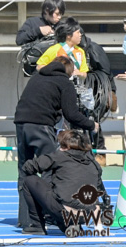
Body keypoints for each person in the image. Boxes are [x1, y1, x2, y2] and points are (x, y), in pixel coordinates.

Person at [14, 56, 98, 228]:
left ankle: (28, 219)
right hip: (41, 126)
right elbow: (71, 114)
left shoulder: (37, 77)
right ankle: (54, 216)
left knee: (25, 170)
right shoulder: (64, 83)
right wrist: (92, 125)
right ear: (67, 70)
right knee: (50, 168)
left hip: (21, 124)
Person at [21, 129, 106, 235]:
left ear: (67, 147)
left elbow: (28, 167)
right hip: (87, 216)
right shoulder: (94, 164)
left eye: (61, 145)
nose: (60, 148)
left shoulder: (59, 156)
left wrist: (48, 165)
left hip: (65, 211)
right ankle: (72, 225)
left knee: (30, 180)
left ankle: (37, 225)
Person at [79, 28, 116, 167]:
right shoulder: (75, 50)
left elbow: (106, 73)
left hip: (97, 91)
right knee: (83, 119)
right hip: (83, 90)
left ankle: (100, 153)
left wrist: (110, 92)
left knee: (93, 119)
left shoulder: (93, 49)